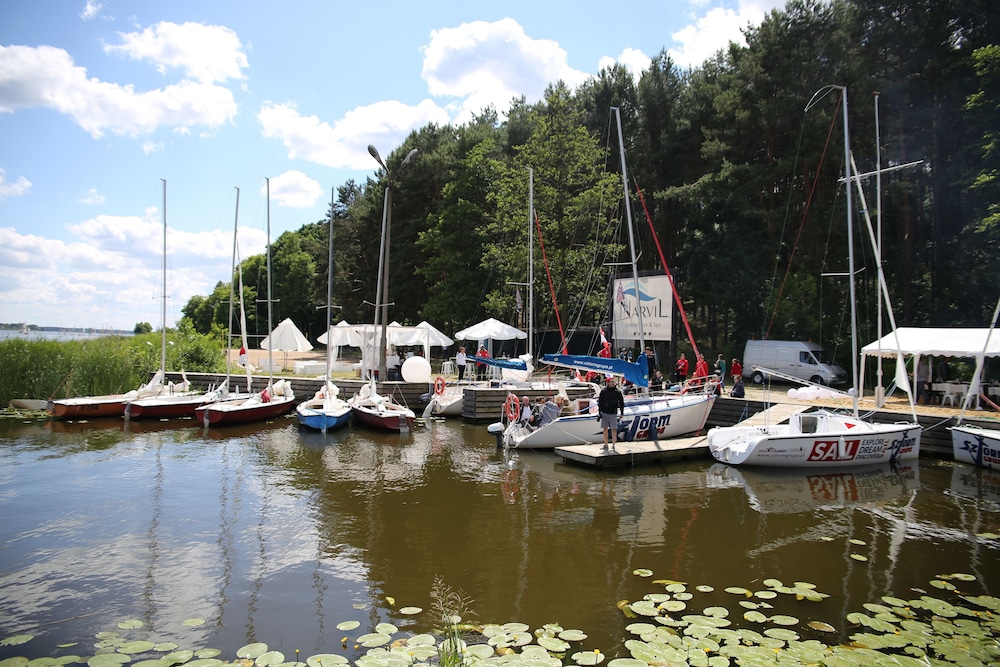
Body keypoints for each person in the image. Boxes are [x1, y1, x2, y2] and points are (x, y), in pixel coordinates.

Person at [597, 377, 625, 449]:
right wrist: (599, 412)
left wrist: (622, 413)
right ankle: (606, 444)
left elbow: (621, 403)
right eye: (612, 382)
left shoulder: (617, 392)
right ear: (608, 383)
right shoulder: (603, 391)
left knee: (614, 428)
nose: (613, 383)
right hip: (605, 412)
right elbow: (600, 402)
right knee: (605, 428)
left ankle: (613, 445)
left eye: (614, 382)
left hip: (613, 412)